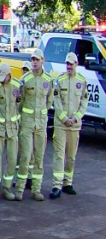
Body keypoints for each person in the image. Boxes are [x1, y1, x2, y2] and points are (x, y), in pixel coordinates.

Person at [15, 51, 54, 201]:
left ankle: (36, 189)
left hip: (41, 123)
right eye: (32, 60)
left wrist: (43, 114)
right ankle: (19, 188)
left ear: (43, 60)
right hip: (27, 122)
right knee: (25, 156)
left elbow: (49, 100)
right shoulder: (25, 79)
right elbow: (20, 100)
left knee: (39, 157)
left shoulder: (48, 79)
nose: (34, 62)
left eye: (37, 60)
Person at [52, 53, 87, 196]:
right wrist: (64, 118)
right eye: (67, 63)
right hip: (61, 124)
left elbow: (84, 102)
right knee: (59, 155)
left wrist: (76, 118)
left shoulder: (82, 81)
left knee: (71, 156)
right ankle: (57, 186)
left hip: (74, 125)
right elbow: (56, 101)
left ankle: (68, 183)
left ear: (76, 64)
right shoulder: (60, 80)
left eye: (71, 64)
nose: (69, 66)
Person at [0, 63, 22, 201]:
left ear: (9, 75)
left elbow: (19, 103)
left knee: (12, 159)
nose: (2, 80)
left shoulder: (17, 86)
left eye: (4, 77)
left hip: (12, 128)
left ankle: (7, 187)